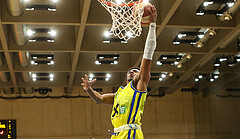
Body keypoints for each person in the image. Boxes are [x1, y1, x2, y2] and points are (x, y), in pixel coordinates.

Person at [81, 5, 157, 139]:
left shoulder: (140, 84)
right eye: (131, 71)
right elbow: (99, 99)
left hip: (131, 132)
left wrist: (152, 25)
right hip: (117, 134)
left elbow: (148, 53)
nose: (133, 72)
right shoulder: (119, 93)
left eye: (136, 71)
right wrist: (88, 89)